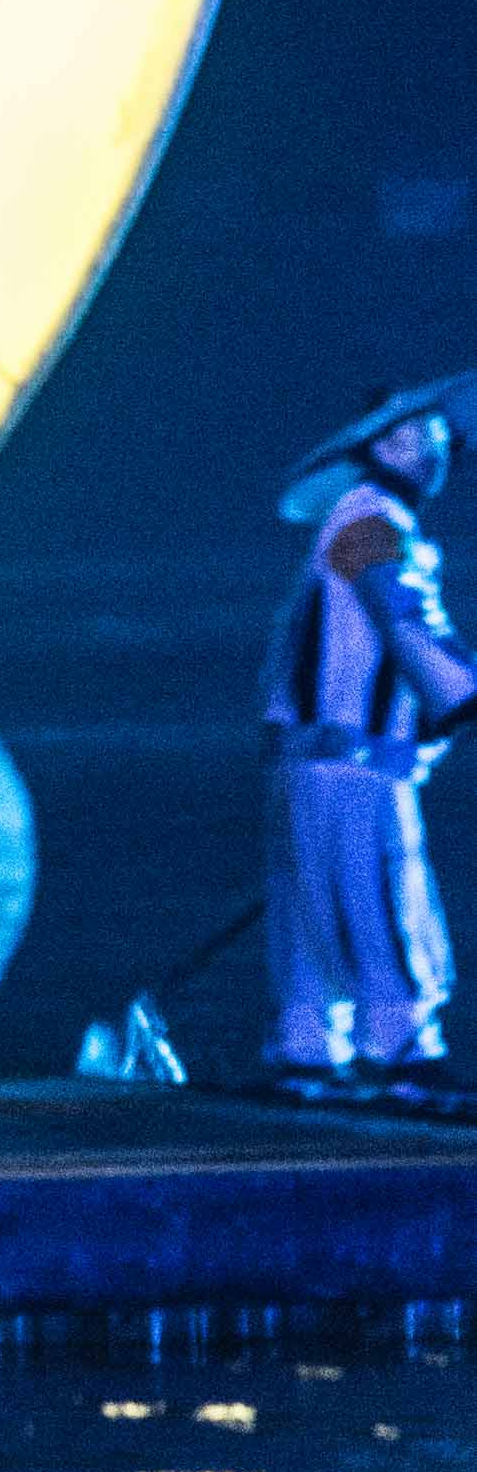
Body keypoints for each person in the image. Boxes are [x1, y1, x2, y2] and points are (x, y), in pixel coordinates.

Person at [259, 375, 470, 1074]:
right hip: (353, 765)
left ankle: (307, 1046)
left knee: (313, 913)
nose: (438, 450)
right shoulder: (370, 523)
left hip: (315, 760)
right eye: (421, 436)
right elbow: (405, 619)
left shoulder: (359, 519)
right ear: (383, 445)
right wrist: (461, 693)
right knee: (379, 902)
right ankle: (402, 1045)